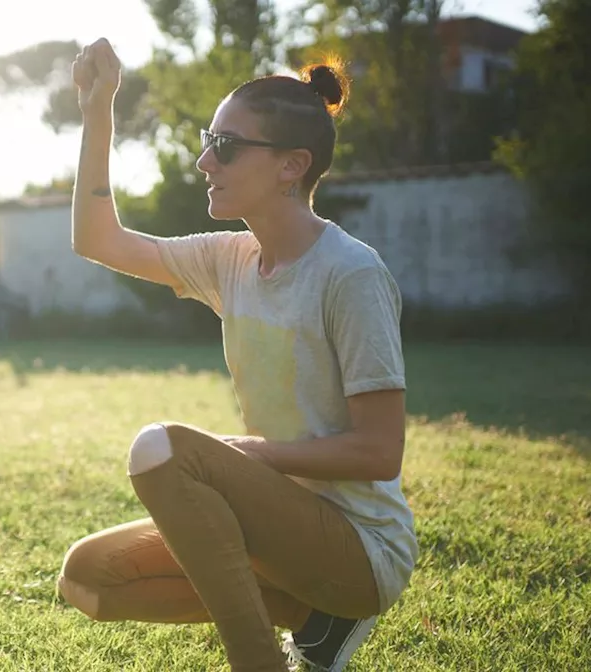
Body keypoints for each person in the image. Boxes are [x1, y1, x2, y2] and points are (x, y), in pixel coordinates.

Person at [56, 38, 419, 672]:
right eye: (208, 140)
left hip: (360, 549)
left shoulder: (351, 274)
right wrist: (98, 110)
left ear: (290, 166)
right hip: (270, 529)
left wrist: (256, 456)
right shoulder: (229, 260)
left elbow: (380, 450)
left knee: (159, 449)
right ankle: (319, 625)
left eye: (224, 146)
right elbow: (96, 239)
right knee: (88, 577)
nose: (203, 161)